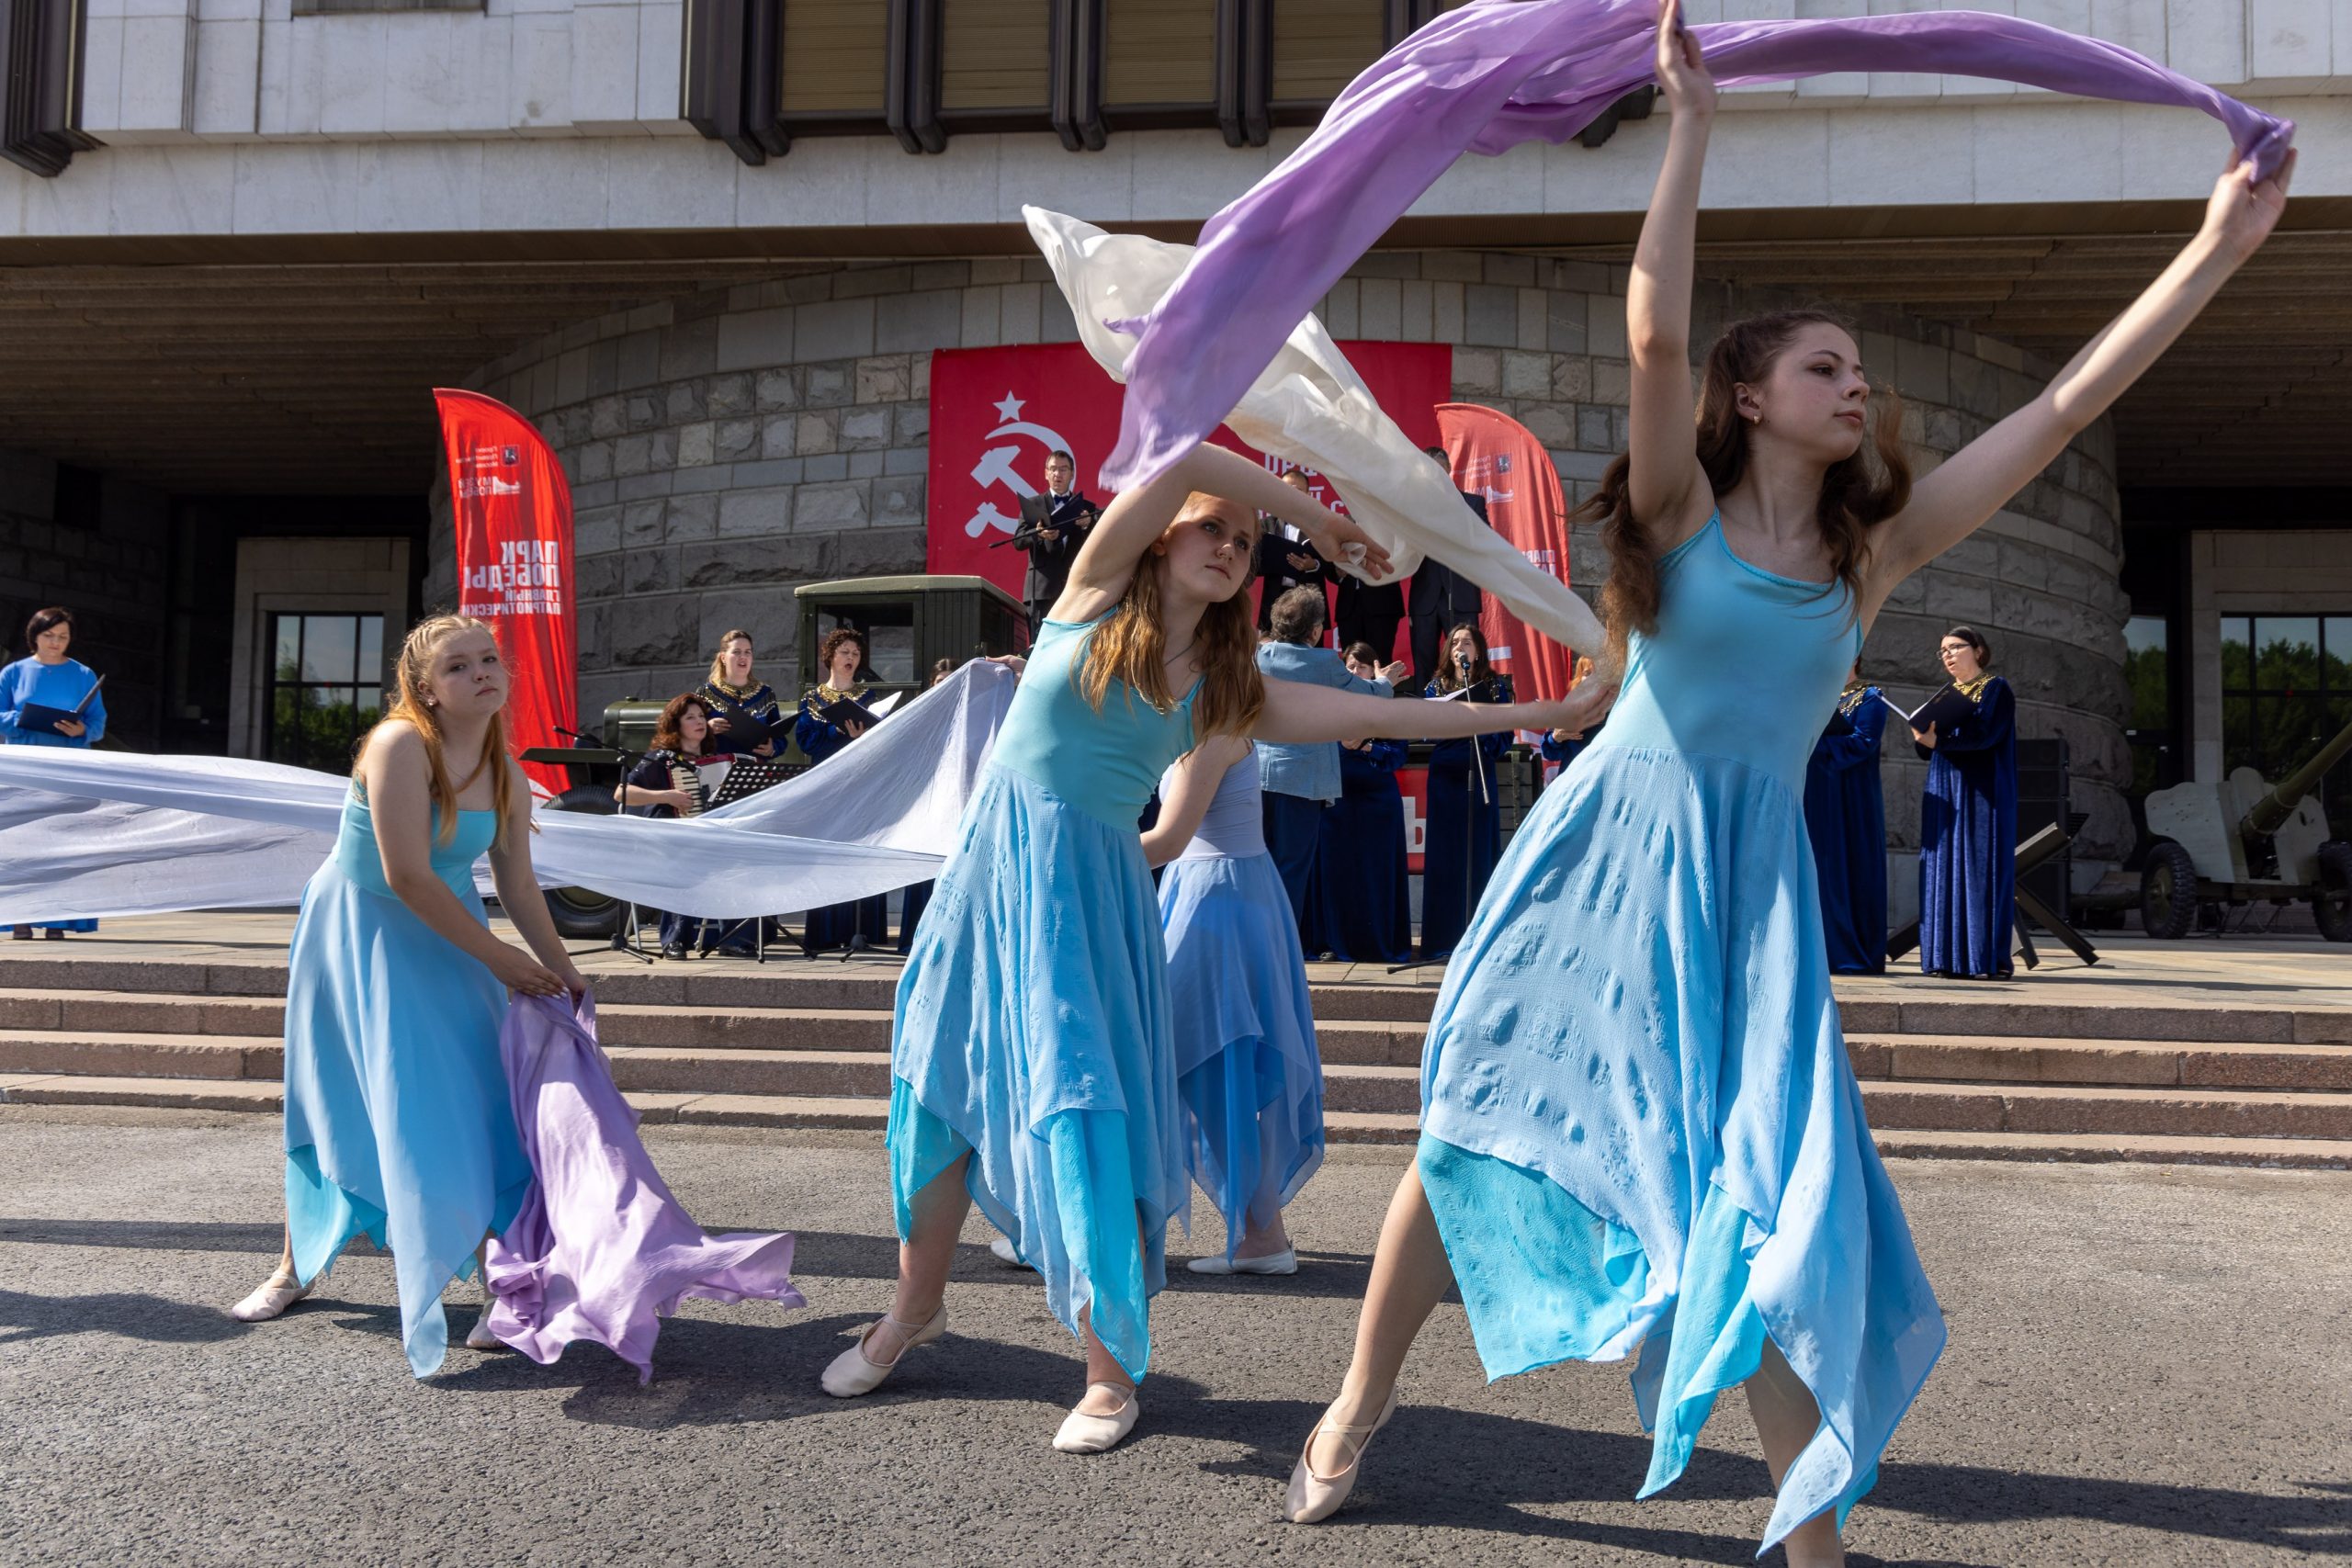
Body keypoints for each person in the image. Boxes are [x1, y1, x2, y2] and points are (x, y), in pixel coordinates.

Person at [1282, 11, 2289, 1561]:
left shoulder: (1867, 559)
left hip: (1746, 899)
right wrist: (1686, 131)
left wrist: (2218, 244)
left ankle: (1807, 1535)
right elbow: (1656, 338)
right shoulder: (1679, 514)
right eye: (1825, 364)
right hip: (1605, 858)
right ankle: (1358, 1396)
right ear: (1755, 397)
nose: (1853, 383)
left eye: (1857, 370)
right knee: (1470, 1130)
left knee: (1754, 1188)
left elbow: (2066, 408)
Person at [819, 437, 1609, 1456]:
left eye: (1246, 544)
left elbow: (1379, 711)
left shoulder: (1225, 688)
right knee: (933, 1099)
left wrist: (1549, 708)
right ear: (1161, 539)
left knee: (1083, 1109)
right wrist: (1311, 519)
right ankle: (913, 1308)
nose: (1232, 546)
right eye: (1214, 527)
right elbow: (1182, 450)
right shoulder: (1091, 595)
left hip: (1089, 900)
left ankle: (1110, 1369)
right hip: (987, 881)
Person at [226, 614, 588, 1377]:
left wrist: (562, 967)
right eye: (458, 667)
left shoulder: (505, 767)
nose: (481, 672)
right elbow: (406, 875)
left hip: (449, 934)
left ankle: (504, 1282)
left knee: (483, 1098)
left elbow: (518, 881)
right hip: (358, 935)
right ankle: (295, 1267)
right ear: (425, 687)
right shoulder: (398, 743)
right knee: (338, 1100)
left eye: (489, 659)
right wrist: (503, 962)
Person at [1145, 732, 1320, 1276]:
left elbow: (1169, 838)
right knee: (1205, 1062)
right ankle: (1261, 1230)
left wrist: (1077, 852)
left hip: (1215, 896)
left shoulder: (1214, 735)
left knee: (1190, 1060)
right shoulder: (1204, 732)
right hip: (1214, 890)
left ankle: (1260, 1231)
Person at [1255, 585, 1407, 942]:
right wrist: (1386, 680)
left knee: (1258, 866)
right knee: (1292, 868)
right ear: (1313, 629)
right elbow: (1368, 695)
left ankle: (1256, 945)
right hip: (1301, 783)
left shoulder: (1258, 656)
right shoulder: (1323, 663)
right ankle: (1282, 950)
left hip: (1256, 776)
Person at [616, 692, 753, 958]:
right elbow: (622, 793)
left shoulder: (717, 760)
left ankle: (730, 938)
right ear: (676, 725)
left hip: (706, 838)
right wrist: (666, 796)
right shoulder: (662, 759)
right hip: (668, 839)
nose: (699, 721)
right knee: (684, 862)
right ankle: (674, 940)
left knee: (737, 861)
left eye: (702, 716)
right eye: (691, 717)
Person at [1915, 626, 2018, 979]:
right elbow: (1928, 748)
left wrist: (1937, 743)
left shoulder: (1995, 689)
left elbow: (1986, 736)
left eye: (1955, 648)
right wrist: (1923, 737)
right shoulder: (1945, 694)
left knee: (1976, 869)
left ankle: (1981, 959)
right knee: (1942, 867)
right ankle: (1943, 957)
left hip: (1979, 790)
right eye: (1942, 651)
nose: (1947, 655)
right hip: (1944, 786)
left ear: (1977, 650)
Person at [1, 606, 108, 940]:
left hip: (67, 769)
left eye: (63, 637)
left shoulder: (83, 674)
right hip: (25, 767)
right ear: (34, 636)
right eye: (49, 635)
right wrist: (19, 719)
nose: (56, 642)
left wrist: (80, 731)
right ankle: (19, 917)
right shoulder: (13, 673)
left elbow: (98, 724)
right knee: (21, 842)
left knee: (64, 841)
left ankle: (58, 920)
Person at [1310, 642, 1414, 964]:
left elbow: (1399, 755)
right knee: (1338, 875)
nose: (1355, 673)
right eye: (1350, 667)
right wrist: (1343, 745)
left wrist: (1367, 747)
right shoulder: (1330, 705)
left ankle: (1378, 944)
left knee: (1376, 874)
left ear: (1374, 670)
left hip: (1377, 805)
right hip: (1336, 803)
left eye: (1362, 667)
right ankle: (1335, 943)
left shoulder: (1388, 706)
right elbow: (1314, 746)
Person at [1416, 621, 1510, 961]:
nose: (1460, 647)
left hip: (1479, 771)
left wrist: (1483, 729)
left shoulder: (1495, 686)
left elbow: (1504, 737)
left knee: (1477, 853)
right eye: (1455, 642)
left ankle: (1478, 937)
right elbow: (1424, 730)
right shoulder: (1436, 685)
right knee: (1447, 855)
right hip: (1445, 777)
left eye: (1467, 642)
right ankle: (1443, 939)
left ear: (1479, 650)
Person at [794, 626, 890, 955]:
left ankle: (861, 929)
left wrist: (861, 736)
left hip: (860, 781)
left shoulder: (868, 698)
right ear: (830, 657)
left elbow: (880, 739)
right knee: (825, 853)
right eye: (845, 652)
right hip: (825, 781)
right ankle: (825, 931)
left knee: (860, 851)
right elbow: (805, 741)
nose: (851, 658)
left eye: (855, 653)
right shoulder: (811, 698)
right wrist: (837, 731)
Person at [1806, 663, 1889, 975]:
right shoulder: (1816, 695)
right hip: (1814, 793)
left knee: (1842, 866)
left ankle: (1845, 951)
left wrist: (1814, 742)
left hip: (1848, 798)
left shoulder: (1870, 697)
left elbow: (1864, 742)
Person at [1406, 448, 1487, 688]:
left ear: (1449, 471)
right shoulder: (1410, 506)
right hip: (1425, 598)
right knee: (1424, 664)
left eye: (1441, 471)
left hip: (1460, 596)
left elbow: (1484, 539)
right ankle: (1425, 717)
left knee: (1466, 663)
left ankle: (1466, 715)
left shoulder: (1472, 503)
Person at [896, 658, 960, 954]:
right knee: (921, 867)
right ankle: (913, 937)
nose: (944, 686)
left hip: (956, 801)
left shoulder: (969, 716)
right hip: (926, 800)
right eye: (939, 682)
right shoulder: (921, 715)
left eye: (951, 681)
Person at [1014, 449, 1102, 637]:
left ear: (1072, 474)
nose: (1057, 474)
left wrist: (1089, 525)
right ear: (1046, 473)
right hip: (1041, 590)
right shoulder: (1033, 504)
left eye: (1063, 469)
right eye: (1053, 469)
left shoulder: (1088, 508)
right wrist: (1040, 534)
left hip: (1077, 590)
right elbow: (1018, 540)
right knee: (1039, 645)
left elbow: (1102, 543)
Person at [1256, 468, 1332, 631]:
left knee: (1309, 652)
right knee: (1272, 650)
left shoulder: (1321, 526)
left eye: (1297, 491)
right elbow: (1253, 563)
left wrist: (1314, 565)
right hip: (1275, 600)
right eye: (1285, 489)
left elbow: (1333, 565)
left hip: (1308, 600)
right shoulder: (1266, 525)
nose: (1290, 494)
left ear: (1308, 494)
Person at [696, 628, 783, 758]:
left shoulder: (765, 694)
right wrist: (707, 728)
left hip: (755, 769)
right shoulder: (706, 692)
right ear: (723, 657)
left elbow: (779, 736)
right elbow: (690, 732)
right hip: (718, 767)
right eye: (736, 652)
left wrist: (773, 748)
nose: (743, 657)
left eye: (747, 652)